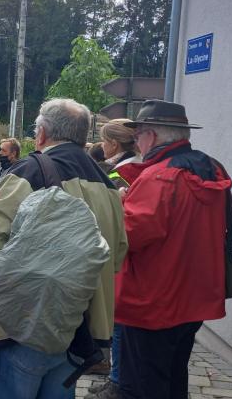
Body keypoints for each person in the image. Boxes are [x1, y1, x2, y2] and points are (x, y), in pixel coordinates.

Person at [0, 98, 128, 399]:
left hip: (23, 326)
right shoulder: (109, 185)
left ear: (41, 134)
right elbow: (116, 257)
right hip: (78, 330)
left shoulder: (31, 171)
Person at [112, 100, 229, 399]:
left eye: (137, 135)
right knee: (174, 378)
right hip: (192, 299)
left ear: (149, 135)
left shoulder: (158, 177)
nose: (136, 142)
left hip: (151, 302)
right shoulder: (212, 169)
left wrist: (121, 203)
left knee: (140, 386)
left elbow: (127, 237)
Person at [85, 119, 140, 398]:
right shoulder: (139, 163)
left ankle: (117, 379)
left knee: (118, 318)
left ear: (114, 144)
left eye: (104, 140)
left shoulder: (121, 171)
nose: (101, 146)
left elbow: (116, 209)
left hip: (121, 252)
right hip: (131, 253)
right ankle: (117, 376)